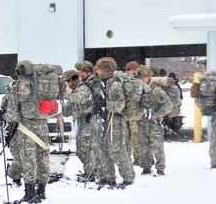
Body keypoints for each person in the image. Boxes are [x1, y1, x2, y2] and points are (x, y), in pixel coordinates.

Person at [1, 60, 59, 203]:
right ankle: (41, 191)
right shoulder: (44, 84)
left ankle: (30, 192)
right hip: (43, 126)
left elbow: (12, 114)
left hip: (26, 127)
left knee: (29, 159)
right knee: (43, 158)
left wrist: (5, 116)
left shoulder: (19, 85)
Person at [94, 57, 136, 188]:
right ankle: (108, 177)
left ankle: (128, 178)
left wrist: (104, 104)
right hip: (105, 119)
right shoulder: (103, 83)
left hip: (116, 120)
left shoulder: (115, 84)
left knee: (117, 150)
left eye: (100, 69)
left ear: (107, 69)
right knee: (104, 149)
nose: (98, 71)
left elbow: (119, 105)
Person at [136, 66, 174, 176]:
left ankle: (160, 169)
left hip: (154, 123)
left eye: (144, 77)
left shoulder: (155, 89)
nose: (142, 79)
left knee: (157, 146)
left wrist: (157, 115)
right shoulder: (138, 90)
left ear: (148, 77)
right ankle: (146, 168)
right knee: (143, 146)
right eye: (140, 77)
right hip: (141, 121)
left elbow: (168, 105)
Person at [64, 61, 96, 181]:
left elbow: (79, 99)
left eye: (68, 82)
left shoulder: (83, 88)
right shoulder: (74, 92)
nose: (67, 85)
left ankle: (92, 172)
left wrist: (65, 94)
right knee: (80, 150)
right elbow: (67, 110)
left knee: (87, 149)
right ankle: (90, 170)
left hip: (88, 123)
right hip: (81, 124)